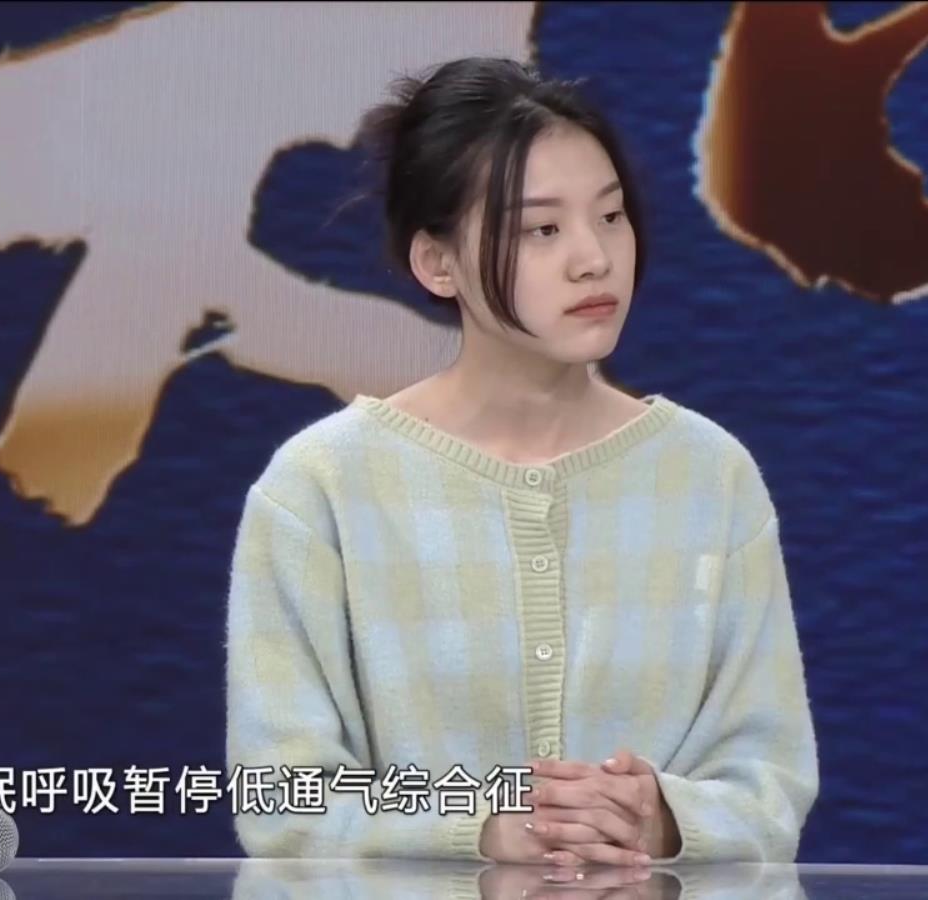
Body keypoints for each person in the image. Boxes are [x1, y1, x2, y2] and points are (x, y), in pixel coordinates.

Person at [224, 57, 818, 875]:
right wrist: (481, 826)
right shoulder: (319, 488)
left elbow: (771, 780)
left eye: (610, 216)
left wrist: (663, 818)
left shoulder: (711, 477)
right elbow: (280, 795)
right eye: (542, 230)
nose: (594, 258)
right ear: (437, 263)